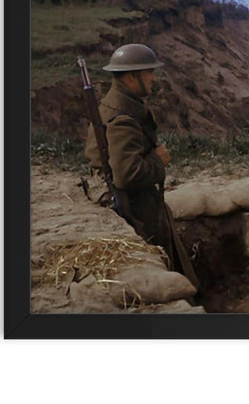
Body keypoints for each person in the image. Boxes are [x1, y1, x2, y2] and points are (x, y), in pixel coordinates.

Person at [84, 43, 200, 292]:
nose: (153, 78)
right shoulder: (123, 119)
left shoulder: (119, 107)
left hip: (138, 201)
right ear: (131, 77)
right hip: (136, 206)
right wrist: (158, 160)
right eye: (148, 72)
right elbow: (127, 175)